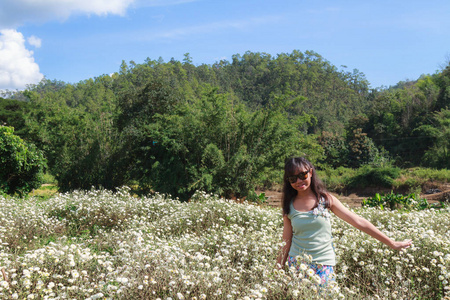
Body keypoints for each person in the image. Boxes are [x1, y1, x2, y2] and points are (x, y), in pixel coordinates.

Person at [276, 157, 412, 285]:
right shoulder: (289, 205)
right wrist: (277, 271)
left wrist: (392, 243)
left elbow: (358, 221)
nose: (299, 181)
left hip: (324, 263)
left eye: (302, 175)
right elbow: (286, 241)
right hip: (298, 264)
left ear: (310, 172)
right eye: (293, 179)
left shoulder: (326, 200)